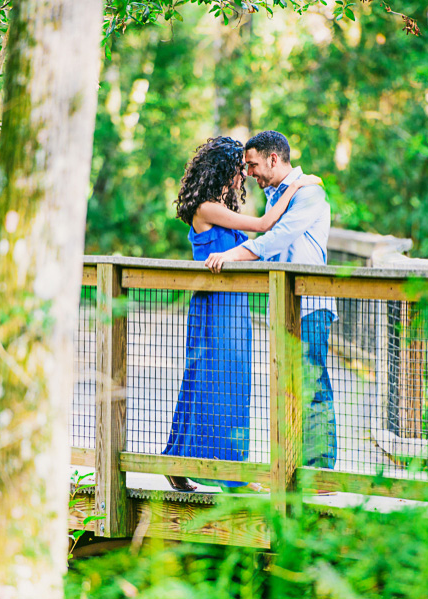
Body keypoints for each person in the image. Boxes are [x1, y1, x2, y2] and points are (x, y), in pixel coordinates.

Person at [163, 136, 322, 492]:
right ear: (223, 170)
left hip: (236, 304)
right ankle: (226, 474)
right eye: (239, 170)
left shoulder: (223, 208)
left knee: (230, 382)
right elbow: (266, 226)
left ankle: (184, 461)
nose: (244, 177)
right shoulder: (206, 207)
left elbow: (259, 245)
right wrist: (297, 185)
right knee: (212, 380)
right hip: (216, 305)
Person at [204, 130, 338, 472]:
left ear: (273, 159)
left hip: (310, 306)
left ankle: (320, 471)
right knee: (286, 390)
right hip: (281, 306)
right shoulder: (276, 194)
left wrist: (231, 255)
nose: (249, 173)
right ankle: (290, 470)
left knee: (312, 385)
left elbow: (276, 239)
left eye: (252, 165)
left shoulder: (310, 192)